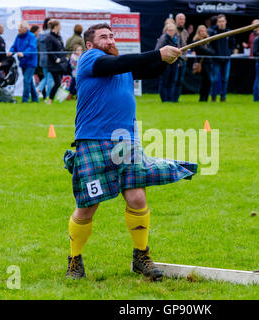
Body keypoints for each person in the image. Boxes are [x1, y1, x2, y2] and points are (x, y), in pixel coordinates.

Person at [63, 23, 197, 281]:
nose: (110, 39)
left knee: (137, 199)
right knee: (88, 207)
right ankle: (75, 260)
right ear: (90, 44)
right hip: (93, 140)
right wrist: (159, 54)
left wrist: (169, 58)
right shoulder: (90, 59)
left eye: (112, 35)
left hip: (126, 140)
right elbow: (119, 64)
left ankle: (141, 256)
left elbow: (150, 69)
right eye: (104, 36)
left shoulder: (120, 67)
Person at [9, 21, 38, 103]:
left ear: (25, 28)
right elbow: (14, 46)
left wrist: (24, 53)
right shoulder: (18, 36)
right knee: (29, 81)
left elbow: (32, 48)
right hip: (22, 62)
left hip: (31, 62)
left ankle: (25, 99)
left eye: (20, 28)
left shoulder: (31, 36)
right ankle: (35, 99)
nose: (18, 29)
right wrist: (11, 51)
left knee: (26, 80)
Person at [209, 14, 236, 102]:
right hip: (216, 59)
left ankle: (223, 97)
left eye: (223, 21)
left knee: (225, 79)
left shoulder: (229, 32)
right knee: (215, 80)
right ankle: (213, 97)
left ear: (226, 22)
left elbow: (233, 44)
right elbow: (209, 45)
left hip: (226, 59)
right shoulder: (213, 32)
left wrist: (229, 53)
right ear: (217, 23)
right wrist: (214, 53)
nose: (221, 23)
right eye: (219, 21)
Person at [155, 22, 180, 102]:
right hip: (165, 63)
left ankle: (171, 99)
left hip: (174, 62)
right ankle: (164, 99)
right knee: (164, 82)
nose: (171, 32)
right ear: (166, 30)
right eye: (169, 30)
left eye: (172, 30)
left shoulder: (176, 38)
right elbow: (157, 50)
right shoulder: (163, 38)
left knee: (172, 81)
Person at [45, 20, 68, 104]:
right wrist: (55, 59)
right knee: (57, 82)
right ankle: (50, 100)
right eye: (59, 25)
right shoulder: (49, 37)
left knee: (59, 82)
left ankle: (56, 98)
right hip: (53, 64)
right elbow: (49, 50)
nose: (60, 27)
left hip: (61, 63)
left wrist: (65, 56)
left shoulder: (59, 37)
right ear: (55, 26)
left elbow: (62, 48)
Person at [192, 25, 215, 102]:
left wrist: (207, 50)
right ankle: (202, 98)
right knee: (206, 80)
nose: (203, 32)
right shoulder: (196, 41)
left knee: (207, 81)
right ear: (198, 32)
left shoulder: (207, 41)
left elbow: (212, 52)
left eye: (204, 31)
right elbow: (206, 51)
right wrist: (207, 50)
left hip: (208, 63)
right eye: (201, 31)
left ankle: (205, 98)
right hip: (201, 63)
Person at [37, 18, 54, 100]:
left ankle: (38, 89)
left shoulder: (40, 34)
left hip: (42, 57)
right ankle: (48, 96)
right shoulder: (50, 35)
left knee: (46, 76)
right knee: (50, 77)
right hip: (50, 58)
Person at [173, 13, 188, 102]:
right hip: (176, 59)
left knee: (180, 81)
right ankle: (171, 98)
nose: (182, 21)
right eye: (180, 19)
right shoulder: (173, 30)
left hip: (184, 59)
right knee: (174, 80)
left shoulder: (185, 31)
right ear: (176, 20)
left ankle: (176, 99)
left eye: (183, 19)